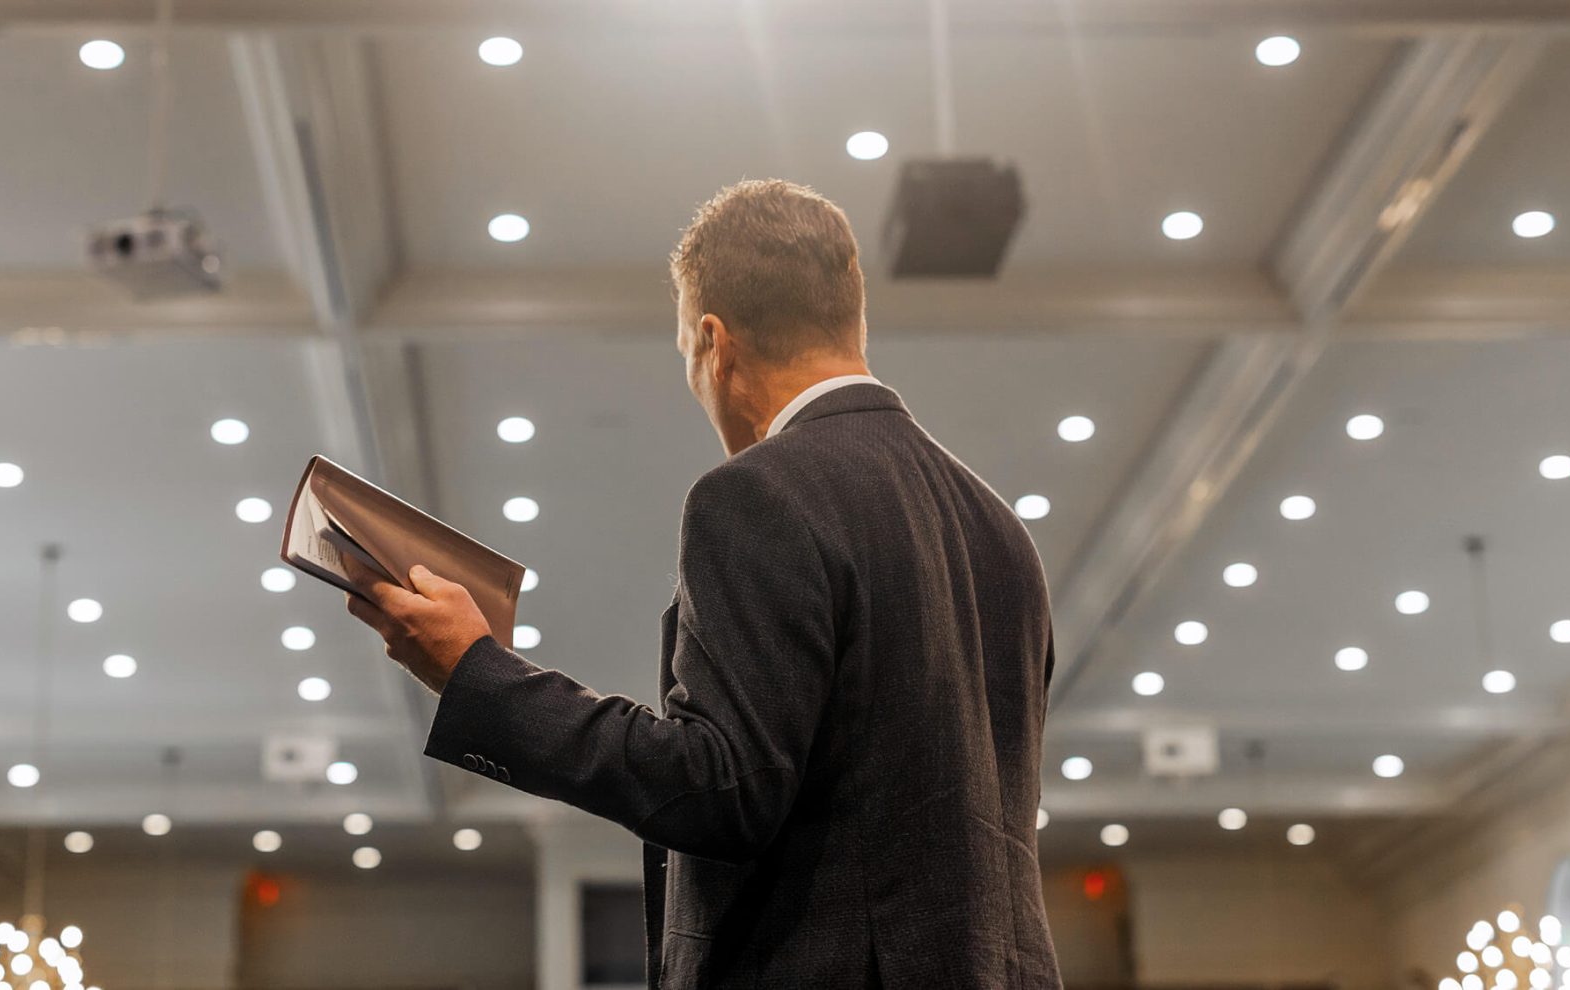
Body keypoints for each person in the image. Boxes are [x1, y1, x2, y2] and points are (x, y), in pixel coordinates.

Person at [344, 179, 1062, 988]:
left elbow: (723, 786)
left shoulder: (760, 490)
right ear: (851, 319)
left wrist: (479, 674)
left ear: (715, 343)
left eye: (689, 352)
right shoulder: (1002, 532)